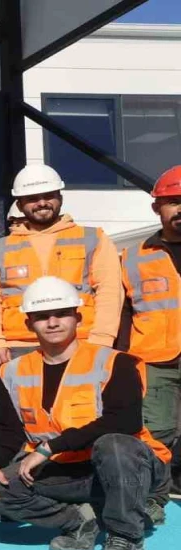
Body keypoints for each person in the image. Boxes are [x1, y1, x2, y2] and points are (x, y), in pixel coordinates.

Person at [0, 277, 171, 550]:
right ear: (29, 324)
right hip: (68, 471)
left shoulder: (114, 362)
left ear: (78, 317)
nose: (52, 322)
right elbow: (5, 429)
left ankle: (125, 538)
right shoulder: (12, 371)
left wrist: (49, 447)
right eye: (42, 316)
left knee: (115, 443)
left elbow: (124, 421)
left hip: (130, 467)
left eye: (62, 314)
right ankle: (79, 521)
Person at [0, 164, 123, 368]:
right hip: (16, 346)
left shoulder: (92, 238)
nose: (42, 203)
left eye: (48, 196)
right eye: (32, 198)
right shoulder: (0, 248)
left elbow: (110, 291)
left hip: (81, 340)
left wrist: (102, 338)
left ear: (60, 198)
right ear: (19, 204)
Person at [121, 166, 181, 455]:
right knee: (157, 434)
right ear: (156, 207)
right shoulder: (132, 257)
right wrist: (120, 359)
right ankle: (157, 485)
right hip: (155, 361)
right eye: (173, 202)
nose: (180, 209)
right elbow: (122, 313)